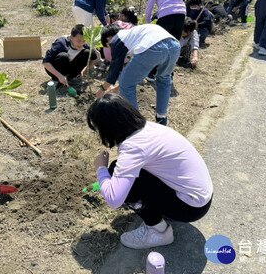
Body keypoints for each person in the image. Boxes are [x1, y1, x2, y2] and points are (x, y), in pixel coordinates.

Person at [88, 94, 213, 249]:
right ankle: (164, 212)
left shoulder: (133, 147)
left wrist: (101, 169)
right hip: (202, 196)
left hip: (191, 208)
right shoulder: (148, 128)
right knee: (124, 172)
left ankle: (158, 231)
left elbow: (114, 200)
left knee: (114, 170)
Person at [96, 24, 180, 126]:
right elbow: (135, 72)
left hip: (153, 47)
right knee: (164, 79)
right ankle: (161, 118)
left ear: (109, 39)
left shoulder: (117, 40)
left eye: (108, 46)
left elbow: (115, 70)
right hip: (174, 45)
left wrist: (102, 89)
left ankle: (136, 121)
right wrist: (118, 87)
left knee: (125, 82)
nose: (110, 49)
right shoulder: (133, 36)